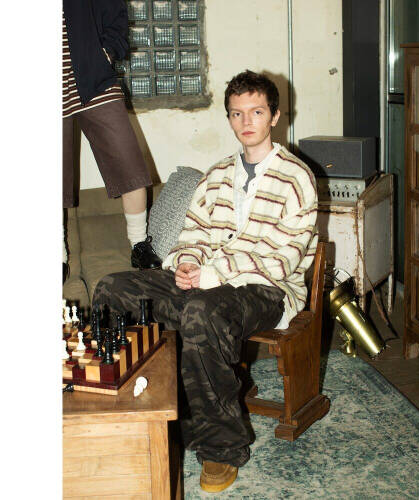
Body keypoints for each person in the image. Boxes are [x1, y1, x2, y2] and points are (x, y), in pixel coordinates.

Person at [93, 70, 318, 493]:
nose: (246, 121)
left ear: (275, 117)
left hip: (268, 289)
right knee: (112, 290)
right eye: (237, 113)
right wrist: (186, 263)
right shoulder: (216, 175)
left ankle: (221, 448)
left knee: (200, 313)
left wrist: (213, 274)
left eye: (256, 112)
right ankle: (138, 411)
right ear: (229, 118)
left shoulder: (296, 178)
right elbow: (192, 235)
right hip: (207, 283)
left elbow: (283, 258)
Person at [63, 0, 161, 278]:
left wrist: (107, 52)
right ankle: (57, 254)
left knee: (129, 162)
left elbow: (116, 14)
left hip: (94, 77)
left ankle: (139, 244)